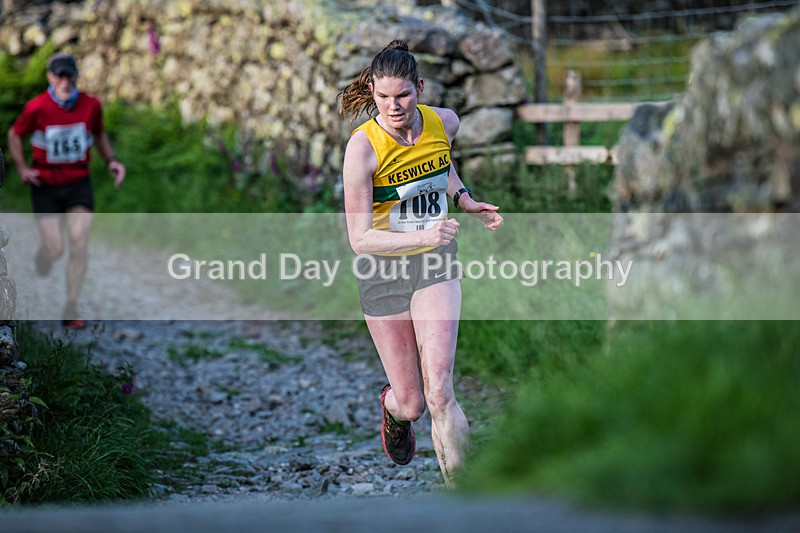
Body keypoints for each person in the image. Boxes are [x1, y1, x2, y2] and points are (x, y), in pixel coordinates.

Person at [338, 40, 503, 487]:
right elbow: (359, 239)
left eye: (404, 96)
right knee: (412, 402)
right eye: (384, 96)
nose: (394, 106)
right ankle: (393, 410)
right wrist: (424, 233)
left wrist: (463, 199)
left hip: (435, 266)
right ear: (372, 91)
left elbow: (440, 164)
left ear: (420, 88)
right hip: (383, 272)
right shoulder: (363, 149)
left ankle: (466, 500)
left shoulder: (443, 121)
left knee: (440, 392)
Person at [7, 52, 125, 328]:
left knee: (80, 243)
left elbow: (98, 133)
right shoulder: (37, 107)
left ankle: (71, 306)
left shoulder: (91, 105)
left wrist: (112, 161)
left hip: (78, 184)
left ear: (76, 76)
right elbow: (15, 134)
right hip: (45, 185)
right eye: (59, 75)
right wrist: (23, 168)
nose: (65, 81)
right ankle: (46, 254)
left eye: (69, 75)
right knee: (57, 249)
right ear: (50, 77)